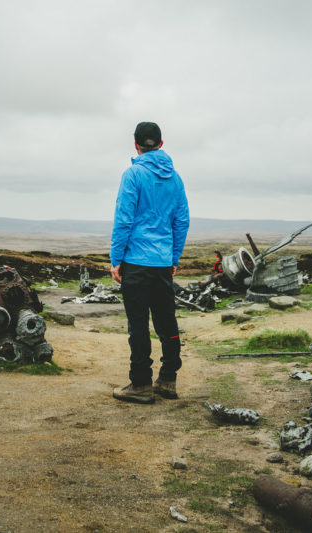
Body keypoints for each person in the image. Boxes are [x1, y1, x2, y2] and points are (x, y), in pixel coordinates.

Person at [110, 122, 190, 404]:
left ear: (136, 146)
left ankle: (141, 383)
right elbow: (181, 221)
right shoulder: (176, 179)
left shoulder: (133, 174)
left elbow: (124, 220)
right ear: (161, 143)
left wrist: (116, 259)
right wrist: (173, 258)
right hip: (162, 263)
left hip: (135, 261)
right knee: (167, 321)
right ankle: (168, 379)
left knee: (139, 325)